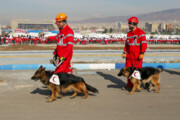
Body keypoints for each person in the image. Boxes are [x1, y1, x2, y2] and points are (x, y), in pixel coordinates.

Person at [121, 16, 147, 89]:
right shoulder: (129, 34)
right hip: (129, 57)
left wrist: (142, 53)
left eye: (129, 23)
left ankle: (137, 85)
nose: (128, 25)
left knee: (137, 73)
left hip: (137, 57)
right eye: (128, 23)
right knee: (128, 72)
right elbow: (127, 44)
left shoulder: (141, 33)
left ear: (134, 23)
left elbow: (144, 44)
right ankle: (129, 85)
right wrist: (124, 52)